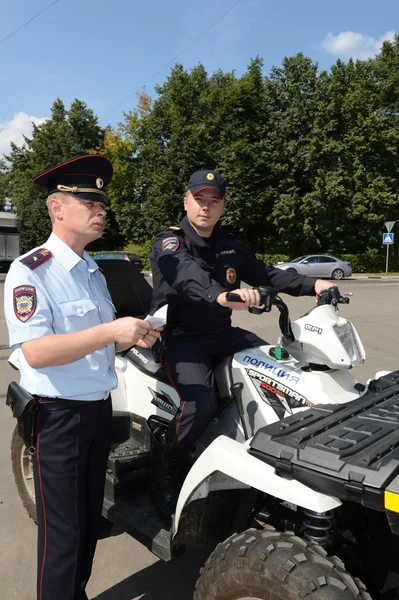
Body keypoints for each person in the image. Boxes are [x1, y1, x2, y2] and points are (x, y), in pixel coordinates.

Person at [4, 154, 160, 600]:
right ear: (57, 208)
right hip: (58, 419)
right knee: (63, 538)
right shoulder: (31, 271)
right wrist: (111, 330)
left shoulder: (92, 271)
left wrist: (130, 338)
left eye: (102, 203)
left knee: (91, 523)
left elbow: (96, 344)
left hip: (97, 413)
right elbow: (35, 351)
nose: (100, 209)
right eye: (89, 200)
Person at [149, 169, 337, 522]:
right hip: (181, 338)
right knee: (198, 403)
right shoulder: (170, 243)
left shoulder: (230, 244)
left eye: (213, 201)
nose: (205, 208)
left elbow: (268, 274)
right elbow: (187, 275)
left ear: (222, 206)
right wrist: (219, 294)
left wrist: (314, 286)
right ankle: (167, 464)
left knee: (283, 374)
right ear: (186, 201)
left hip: (223, 334)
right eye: (199, 200)